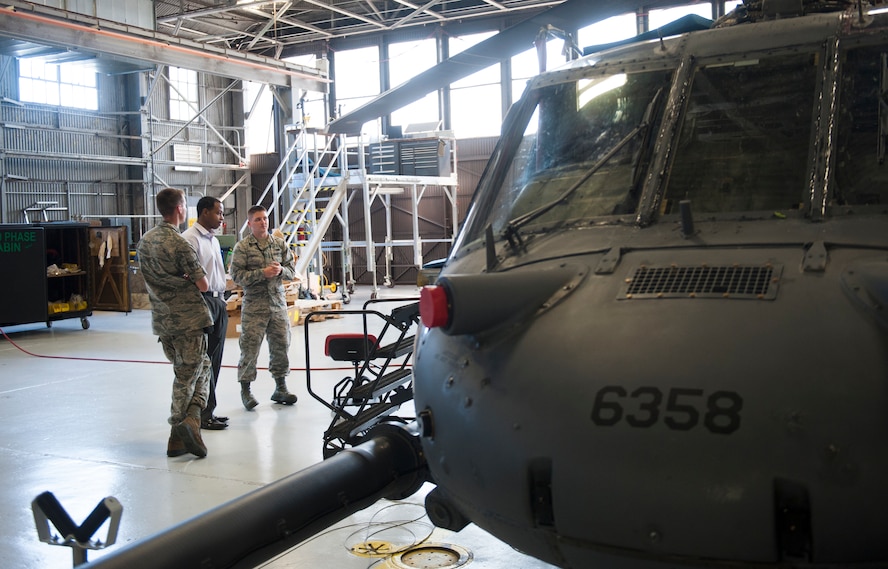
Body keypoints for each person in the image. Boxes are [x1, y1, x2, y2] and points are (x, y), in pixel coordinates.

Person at [137, 188, 213, 458]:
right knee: (186, 376)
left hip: (162, 320)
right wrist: (186, 277)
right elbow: (203, 283)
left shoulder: (145, 241)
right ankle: (176, 431)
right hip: (188, 320)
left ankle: (192, 422)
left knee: (201, 367)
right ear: (181, 208)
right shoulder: (179, 243)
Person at [229, 205, 298, 409]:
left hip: (277, 305)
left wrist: (280, 271)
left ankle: (280, 387)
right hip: (254, 307)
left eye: (265, 218)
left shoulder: (279, 244)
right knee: (249, 349)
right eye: (258, 219)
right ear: (250, 224)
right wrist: (262, 273)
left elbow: (292, 270)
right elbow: (236, 276)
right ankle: (246, 391)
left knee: (281, 347)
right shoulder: (243, 247)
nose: (263, 222)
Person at [182, 196, 230, 431]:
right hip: (202, 302)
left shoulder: (212, 239)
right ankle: (201, 413)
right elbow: (185, 274)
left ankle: (209, 410)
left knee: (215, 360)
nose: (221, 218)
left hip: (218, 301)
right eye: (218, 213)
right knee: (205, 362)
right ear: (204, 213)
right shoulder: (190, 239)